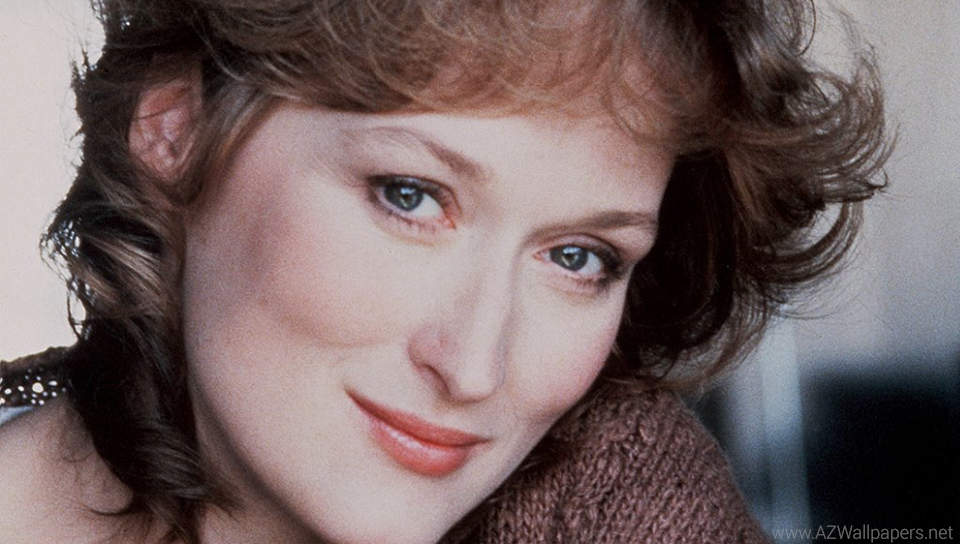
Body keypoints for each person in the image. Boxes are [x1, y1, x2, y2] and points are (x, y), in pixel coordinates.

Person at [0, 0, 888, 543]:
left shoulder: (612, 497)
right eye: (411, 196)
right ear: (174, 127)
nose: (473, 367)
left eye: (578, 257)